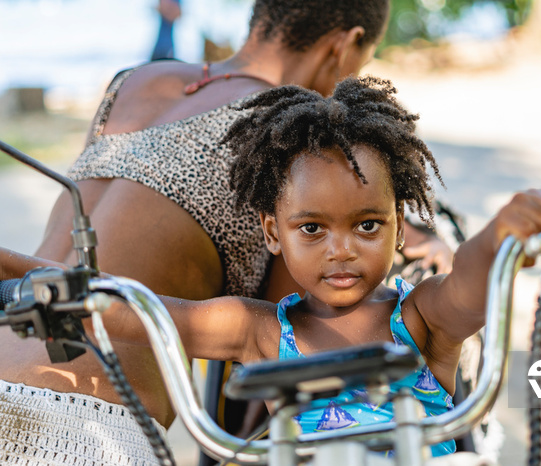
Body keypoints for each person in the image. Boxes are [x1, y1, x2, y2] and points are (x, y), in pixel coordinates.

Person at [0, 1, 453, 463]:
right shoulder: (284, 146)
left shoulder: (135, 82)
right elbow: (292, 364)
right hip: (85, 424)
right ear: (344, 45)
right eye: (365, 58)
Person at [91, 76, 541, 457]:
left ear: (399, 226)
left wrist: (501, 234)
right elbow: (146, 314)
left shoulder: (420, 318)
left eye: (367, 226)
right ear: (274, 233)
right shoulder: (260, 331)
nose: (341, 250)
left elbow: (468, 287)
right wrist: (23, 276)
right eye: (312, 229)